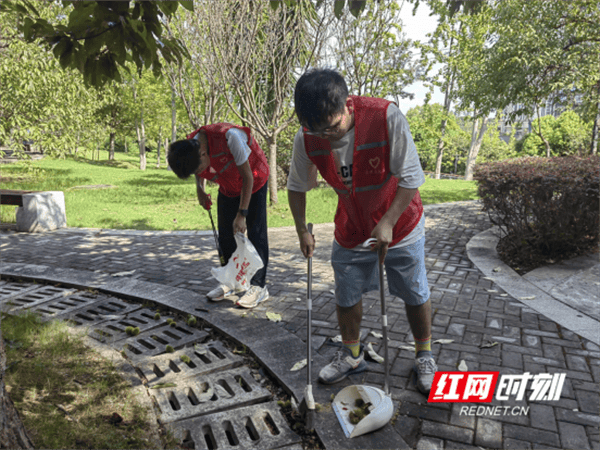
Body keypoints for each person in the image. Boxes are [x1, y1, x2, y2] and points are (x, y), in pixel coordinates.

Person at [287, 68, 437, 395]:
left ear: (347, 106)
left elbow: (412, 177)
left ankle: (424, 354)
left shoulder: (385, 117)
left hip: (401, 223)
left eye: (332, 127)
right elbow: (296, 186)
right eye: (318, 130)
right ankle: (352, 354)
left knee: (414, 290)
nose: (327, 136)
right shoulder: (308, 135)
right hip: (352, 227)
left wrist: (388, 221)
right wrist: (301, 229)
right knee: (347, 292)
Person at [168, 123, 270, 309]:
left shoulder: (231, 138)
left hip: (254, 181)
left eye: (198, 170)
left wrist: (242, 213)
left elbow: (248, 177)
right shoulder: (192, 146)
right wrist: (199, 189)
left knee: (256, 233)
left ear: (204, 154)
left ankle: (258, 287)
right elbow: (197, 170)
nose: (200, 173)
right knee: (225, 235)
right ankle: (232, 282)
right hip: (228, 185)